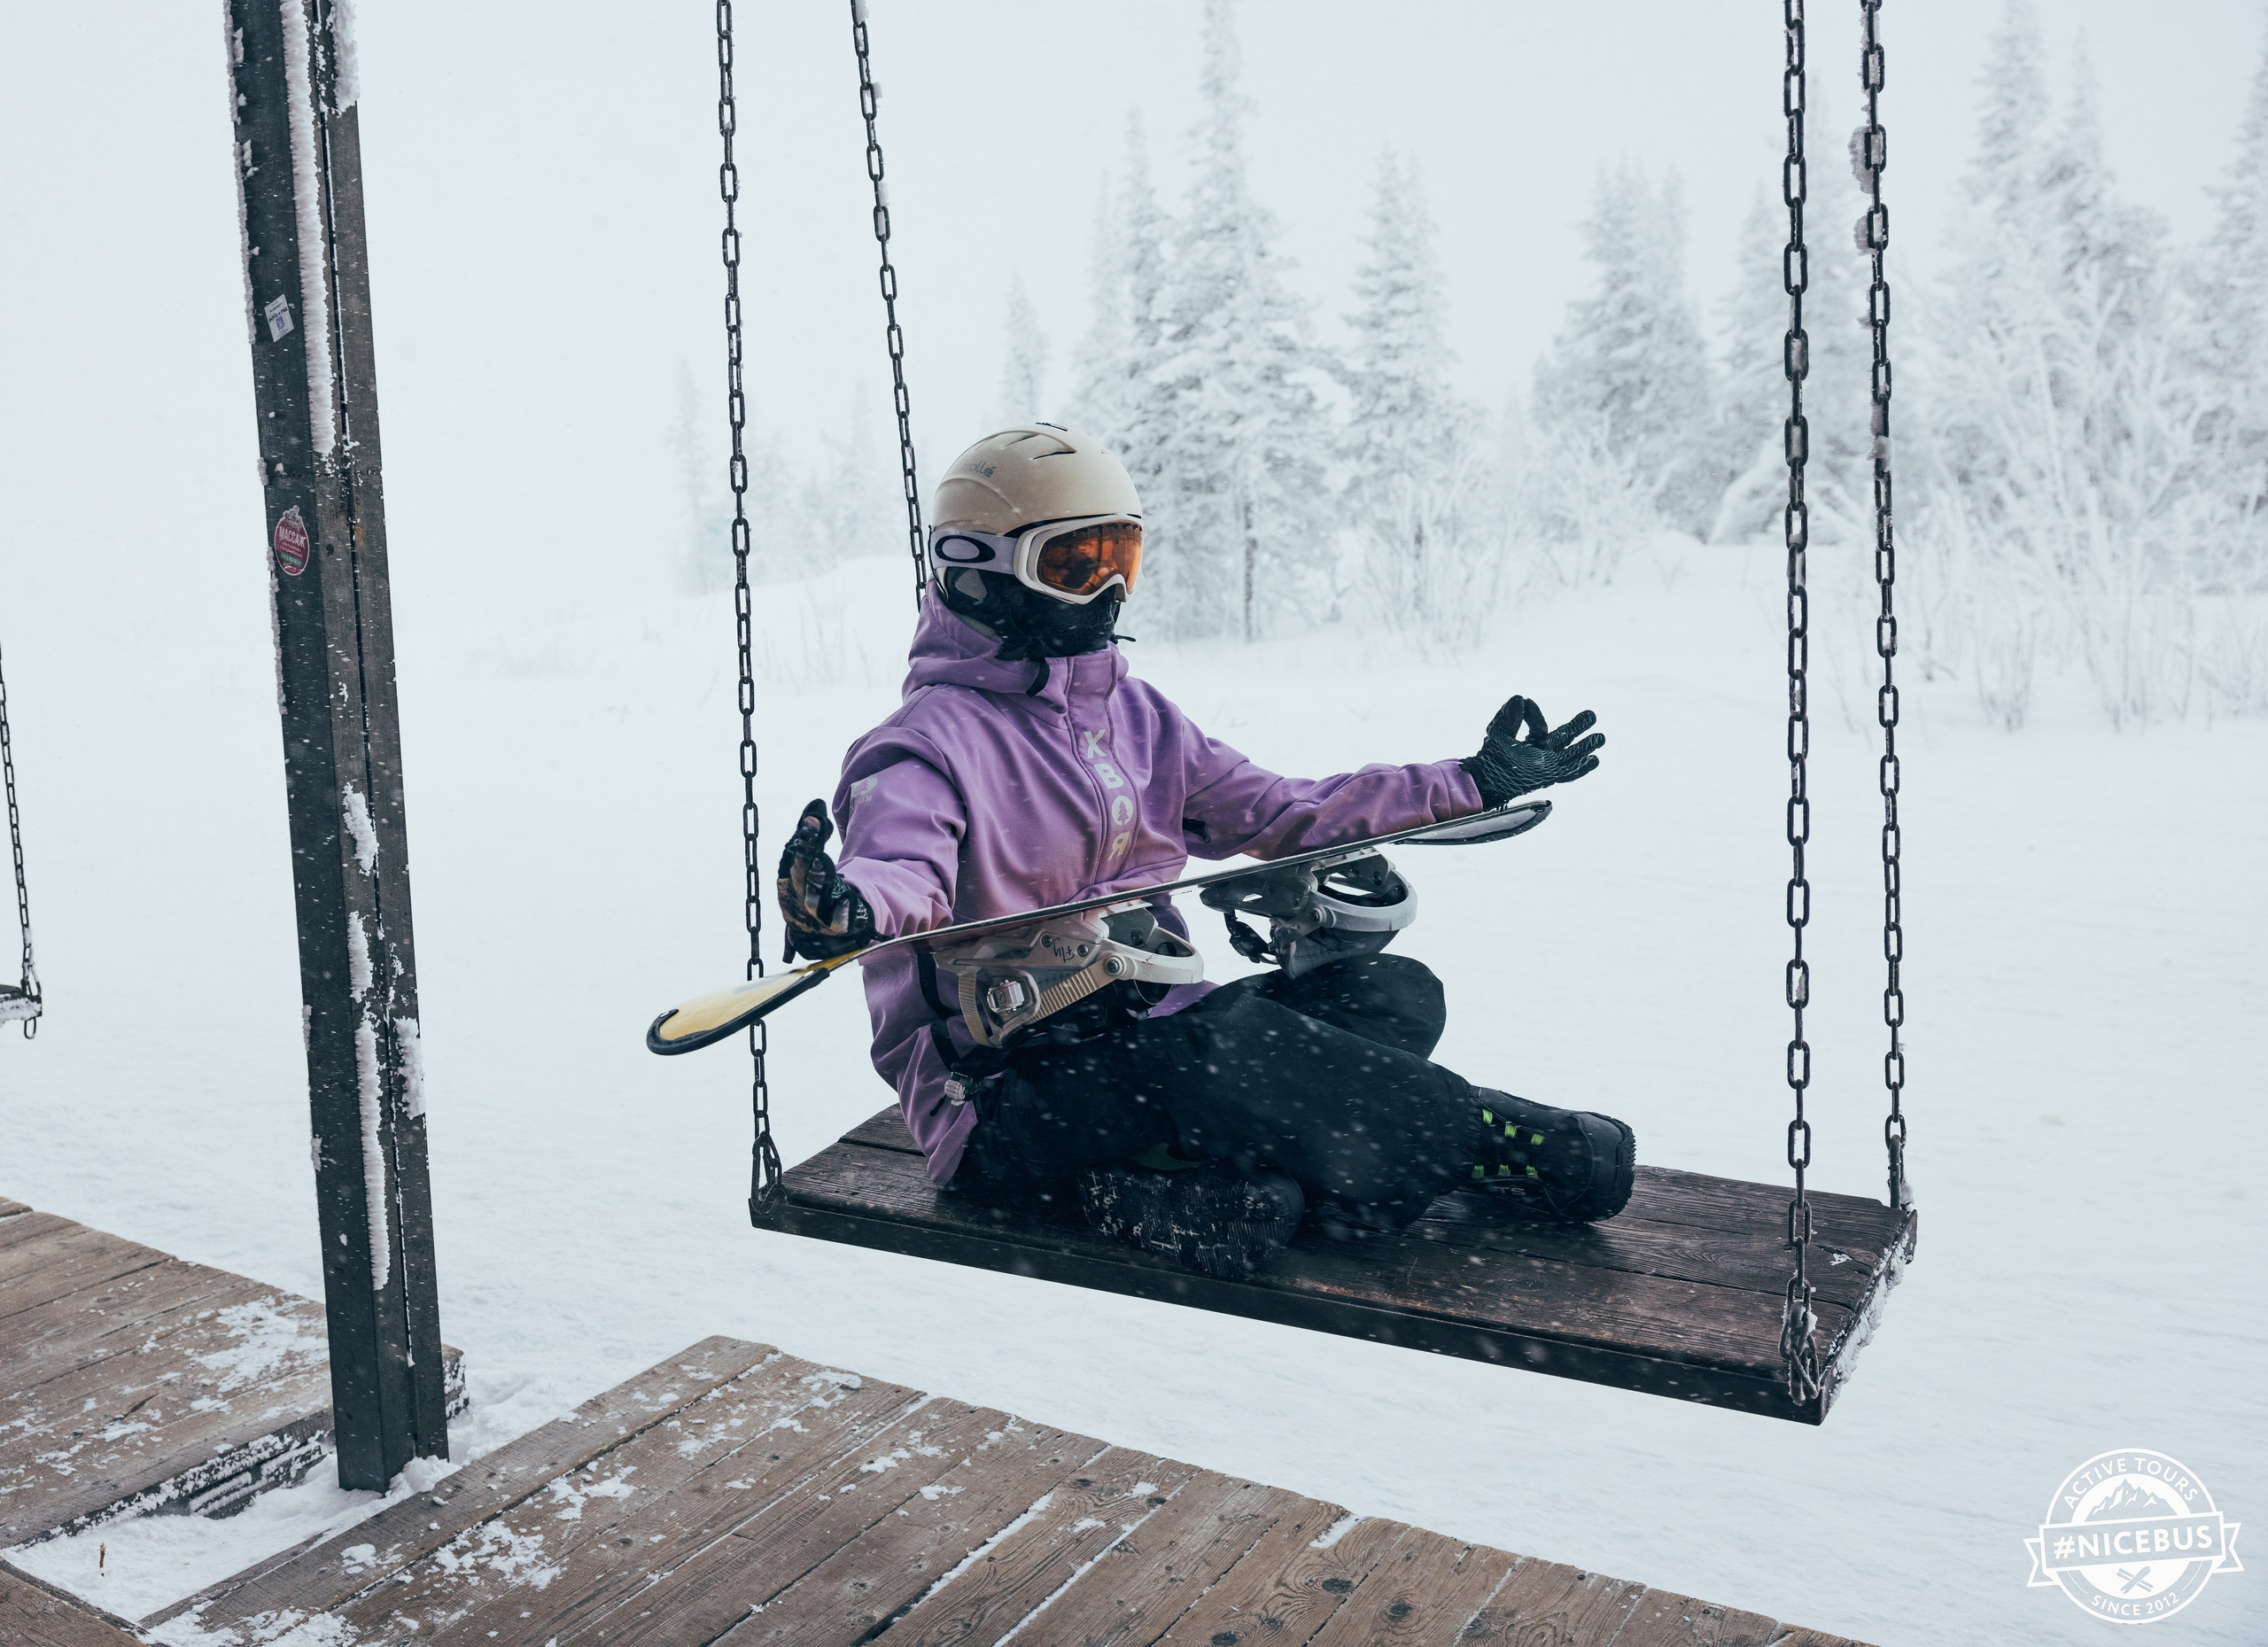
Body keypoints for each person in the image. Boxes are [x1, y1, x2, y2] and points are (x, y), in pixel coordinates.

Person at [777, 423, 1630, 1278]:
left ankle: (1188, 1184)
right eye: (1075, 564)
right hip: (1002, 1099)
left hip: (1154, 1038)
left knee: (1391, 995)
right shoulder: (923, 747)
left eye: (1123, 558)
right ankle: (1498, 1141)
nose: (1108, 588)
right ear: (979, 571)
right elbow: (902, 868)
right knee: (1228, 1051)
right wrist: (852, 910)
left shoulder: (1138, 720)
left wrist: (1471, 779)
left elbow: (1286, 810)